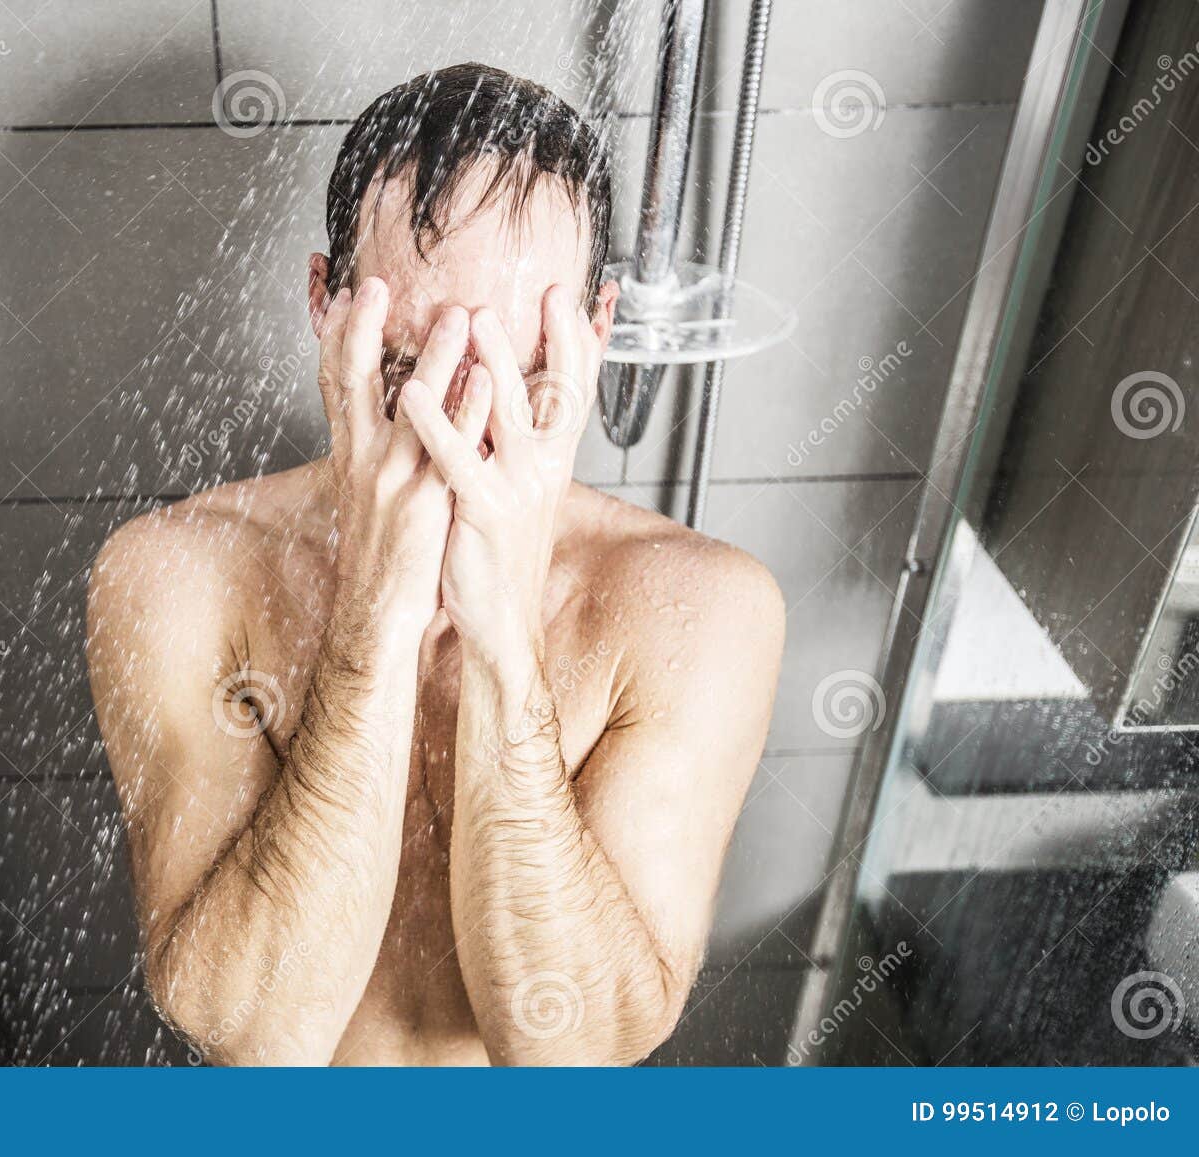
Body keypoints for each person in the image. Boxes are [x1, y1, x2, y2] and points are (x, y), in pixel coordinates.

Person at [87, 62, 784, 1065]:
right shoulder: (169, 576)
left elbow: (574, 1049)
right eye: (410, 372)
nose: (460, 432)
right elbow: (251, 1030)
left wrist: (504, 640)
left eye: (519, 376)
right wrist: (374, 609)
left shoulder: (700, 608)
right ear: (327, 306)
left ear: (596, 333)